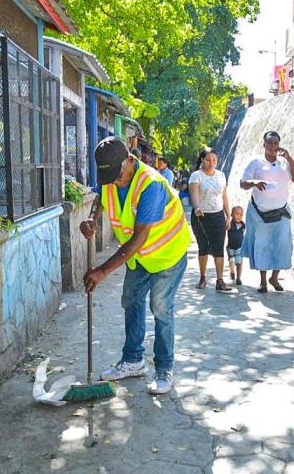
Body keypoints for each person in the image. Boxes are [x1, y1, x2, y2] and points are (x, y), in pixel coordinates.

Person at [80, 137, 191, 395]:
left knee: (160, 308)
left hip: (167, 254)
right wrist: (92, 218)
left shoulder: (150, 185)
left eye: (118, 175)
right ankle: (133, 360)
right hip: (140, 259)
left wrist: (101, 271)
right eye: (109, 177)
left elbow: (139, 239)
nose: (115, 181)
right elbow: (100, 196)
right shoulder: (110, 177)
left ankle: (164, 368)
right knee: (131, 300)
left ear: (130, 160)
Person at [240, 131, 294, 294]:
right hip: (260, 213)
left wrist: (289, 158)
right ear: (264, 145)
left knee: (282, 244)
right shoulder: (256, 162)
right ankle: (262, 281)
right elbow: (243, 183)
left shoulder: (284, 163)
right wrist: (254, 182)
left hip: (281, 211)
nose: (272, 146)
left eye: (275, 143)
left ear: (279, 145)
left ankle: (274, 277)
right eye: (269, 143)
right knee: (263, 246)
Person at [188, 148, 234, 293]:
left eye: (214, 160)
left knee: (219, 248)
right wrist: (196, 208)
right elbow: (194, 194)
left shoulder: (221, 175)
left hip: (218, 216)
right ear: (202, 160)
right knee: (203, 247)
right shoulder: (196, 176)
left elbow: (224, 197)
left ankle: (220, 281)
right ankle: (202, 277)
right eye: (208, 160)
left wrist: (228, 216)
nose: (211, 163)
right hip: (201, 217)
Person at [227, 206, 246, 286]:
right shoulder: (230, 224)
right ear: (232, 215)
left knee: (239, 263)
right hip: (230, 247)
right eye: (237, 214)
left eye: (241, 214)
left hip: (239, 247)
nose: (239, 216)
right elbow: (226, 228)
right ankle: (232, 272)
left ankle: (238, 278)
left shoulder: (243, 225)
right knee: (231, 261)